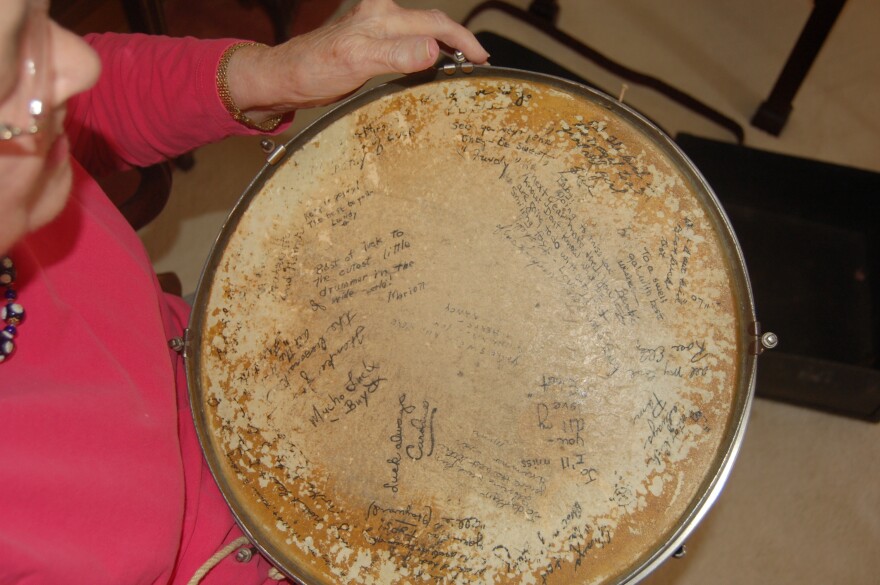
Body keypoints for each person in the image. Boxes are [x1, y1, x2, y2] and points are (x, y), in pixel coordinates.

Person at [0, 1, 488, 583]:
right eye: (10, 78)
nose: (74, 63)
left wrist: (274, 73)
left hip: (233, 365)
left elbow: (83, 105)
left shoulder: (35, 120)